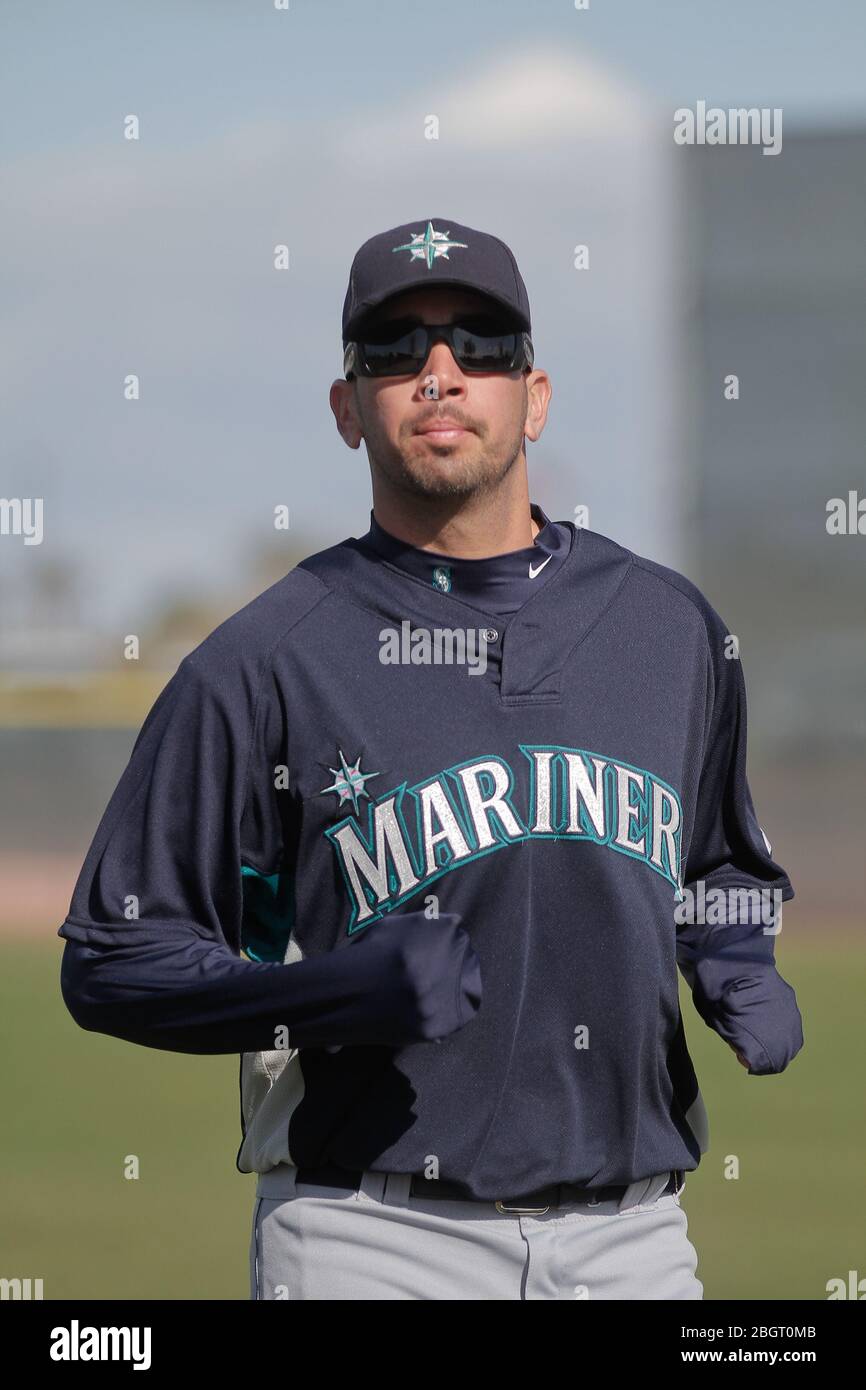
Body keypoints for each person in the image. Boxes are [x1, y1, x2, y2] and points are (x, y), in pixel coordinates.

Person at [58, 217, 803, 1301]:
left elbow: (719, 865)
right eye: (395, 350)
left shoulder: (669, 627)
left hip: (633, 1239)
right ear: (346, 407)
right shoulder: (263, 659)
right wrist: (315, 997)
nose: (440, 373)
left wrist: (735, 957)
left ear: (532, 395)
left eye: (479, 344)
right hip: (372, 1237)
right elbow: (111, 959)